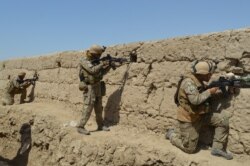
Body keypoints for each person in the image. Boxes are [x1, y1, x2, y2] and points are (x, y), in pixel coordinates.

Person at [166, 60, 233, 160]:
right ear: (203, 74)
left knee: (223, 120)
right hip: (189, 119)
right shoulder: (188, 83)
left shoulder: (199, 82)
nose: (210, 76)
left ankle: (217, 148)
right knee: (189, 149)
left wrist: (222, 91)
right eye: (209, 74)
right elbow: (195, 100)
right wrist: (210, 91)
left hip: (201, 115)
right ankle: (171, 134)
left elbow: (205, 96)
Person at [77, 44, 119, 135]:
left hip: (98, 86)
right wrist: (102, 63)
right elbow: (92, 70)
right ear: (93, 54)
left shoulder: (96, 62)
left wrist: (109, 66)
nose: (99, 56)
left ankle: (100, 125)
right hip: (89, 87)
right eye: (98, 55)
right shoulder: (84, 61)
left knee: (99, 107)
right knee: (88, 107)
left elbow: (101, 73)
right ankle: (80, 126)